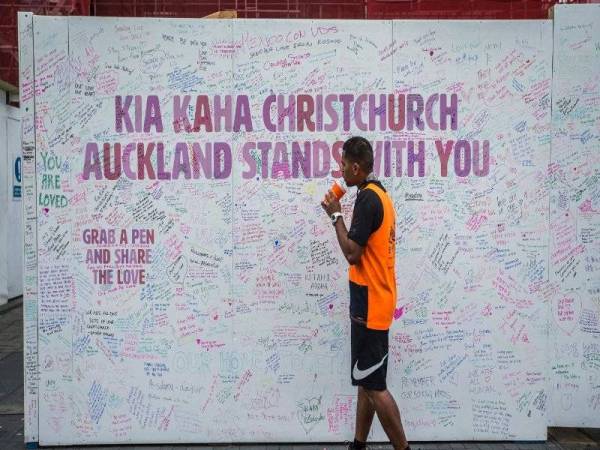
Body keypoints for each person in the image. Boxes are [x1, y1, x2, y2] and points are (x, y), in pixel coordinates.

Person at [321, 136, 410, 450]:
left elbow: (352, 253)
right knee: (365, 379)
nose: (341, 169)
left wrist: (335, 214)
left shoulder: (368, 199)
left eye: (344, 164)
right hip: (375, 301)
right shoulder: (379, 194)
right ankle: (359, 446)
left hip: (371, 305)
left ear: (356, 167)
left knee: (374, 386)